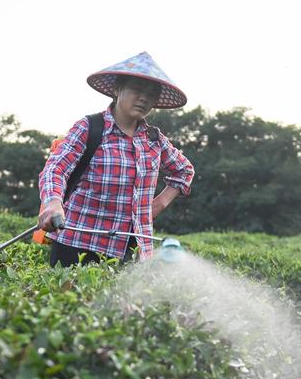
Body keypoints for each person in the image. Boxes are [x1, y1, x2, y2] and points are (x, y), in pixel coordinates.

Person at [38, 52, 194, 267]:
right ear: (117, 89)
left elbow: (183, 171)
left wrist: (158, 203)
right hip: (77, 242)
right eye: (137, 89)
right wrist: (53, 203)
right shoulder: (90, 127)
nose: (143, 98)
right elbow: (56, 169)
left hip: (132, 249)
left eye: (151, 94)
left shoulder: (154, 139)